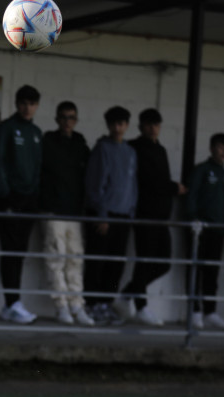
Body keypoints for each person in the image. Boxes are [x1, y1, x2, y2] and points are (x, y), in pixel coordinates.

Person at [111, 109, 186, 326]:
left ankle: (127, 295)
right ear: (141, 126)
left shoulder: (160, 149)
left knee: (163, 262)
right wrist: (174, 188)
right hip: (144, 212)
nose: (153, 128)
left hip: (161, 215)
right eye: (148, 124)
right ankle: (141, 307)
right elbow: (149, 180)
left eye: (156, 124)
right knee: (144, 260)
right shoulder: (135, 148)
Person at [0, 84, 42, 325]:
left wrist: (34, 196)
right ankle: (11, 303)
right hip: (9, 201)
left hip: (29, 202)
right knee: (10, 250)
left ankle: (13, 303)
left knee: (19, 251)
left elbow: (38, 168)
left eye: (32, 103)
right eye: (24, 103)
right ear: (17, 103)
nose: (27, 108)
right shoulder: (6, 129)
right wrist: (5, 196)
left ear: (36, 106)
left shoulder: (36, 132)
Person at [39, 101, 94, 326]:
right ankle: (61, 306)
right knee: (56, 259)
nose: (67, 122)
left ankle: (76, 305)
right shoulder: (48, 142)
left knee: (75, 260)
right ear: (57, 119)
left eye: (71, 117)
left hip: (74, 212)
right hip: (53, 210)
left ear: (76, 120)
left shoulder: (80, 144)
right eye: (63, 117)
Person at [83, 106, 138, 325]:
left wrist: (131, 212)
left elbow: (132, 184)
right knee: (97, 261)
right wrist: (101, 214)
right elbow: (94, 184)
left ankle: (107, 302)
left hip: (123, 216)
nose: (118, 127)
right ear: (108, 125)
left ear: (126, 125)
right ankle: (92, 304)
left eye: (122, 123)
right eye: (114, 123)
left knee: (116, 263)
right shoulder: (102, 149)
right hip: (104, 215)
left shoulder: (130, 152)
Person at [185, 133, 224, 330]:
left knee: (212, 272)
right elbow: (191, 197)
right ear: (212, 148)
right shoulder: (201, 170)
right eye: (221, 147)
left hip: (218, 231)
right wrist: (192, 219)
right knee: (195, 270)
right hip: (200, 230)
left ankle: (210, 312)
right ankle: (195, 311)